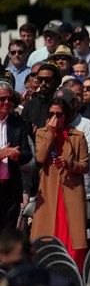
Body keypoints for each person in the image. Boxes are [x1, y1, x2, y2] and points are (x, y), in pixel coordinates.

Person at [33, 95, 89, 265]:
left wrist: (69, 163)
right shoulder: (42, 133)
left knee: (72, 237)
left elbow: (85, 166)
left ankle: (71, 272)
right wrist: (50, 134)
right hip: (50, 191)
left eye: (59, 115)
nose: (54, 118)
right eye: (51, 114)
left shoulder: (77, 135)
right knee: (46, 234)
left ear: (66, 116)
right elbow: (40, 158)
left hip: (71, 192)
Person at [0, 81, 32, 231]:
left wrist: (16, 156)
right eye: (2, 99)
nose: (6, 102)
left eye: (9, 99)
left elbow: (27, 153)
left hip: (10, 189)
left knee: (7, 235)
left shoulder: (18, 123)